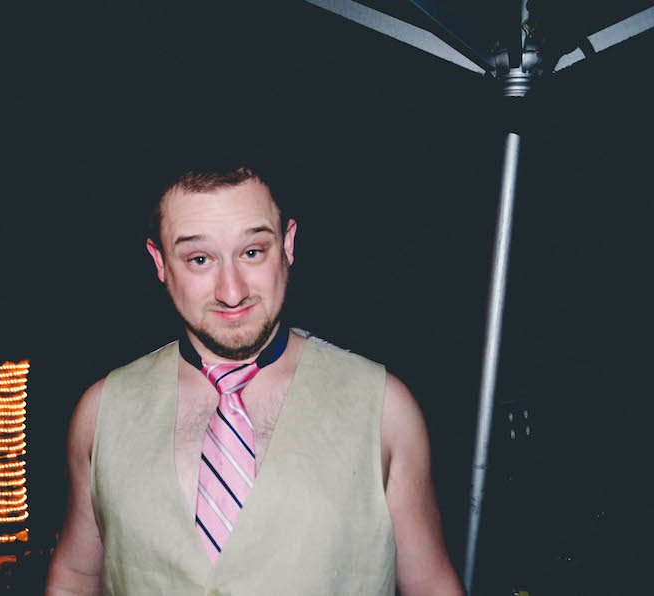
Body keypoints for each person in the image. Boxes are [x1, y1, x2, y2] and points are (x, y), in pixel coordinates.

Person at [45, 164, 463, 595]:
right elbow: (75, 579)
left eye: (252, 252)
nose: (232, 292)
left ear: (287, 245)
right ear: (160, 263)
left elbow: (431, 585)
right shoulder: (101, 413)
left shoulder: (385, 409)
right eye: (200, 259)